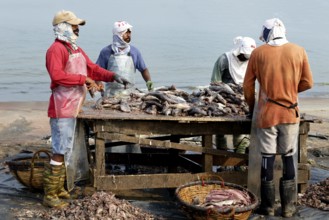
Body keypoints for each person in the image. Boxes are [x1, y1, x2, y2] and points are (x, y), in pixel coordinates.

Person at [44, 10, 130, 209]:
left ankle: (58, 189)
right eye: (74, 26)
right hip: (61, 108)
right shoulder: (55, 50)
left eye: (77, 26)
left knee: (67, 149)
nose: (77, 29)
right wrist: (84, 79)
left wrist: (113, 76)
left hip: (75, 107)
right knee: (59, 150)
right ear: (63, 26)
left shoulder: (75, 49)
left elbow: (92, 68)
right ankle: (49, 195)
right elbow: (57, 76)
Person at [243, 18, 313, 217]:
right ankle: (289, 208)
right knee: (289, 156)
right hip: (291, 113)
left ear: (267, 33)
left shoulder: (258, 53)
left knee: (267, 158)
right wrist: (291, 92)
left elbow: (247, 86)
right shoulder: (299, 51)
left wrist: (251, 107)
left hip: (267, 115)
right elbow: (308, 82)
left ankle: (268, 206)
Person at [211, 36, 256, 157]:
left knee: (241, 131)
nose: (245, 58)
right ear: (239, 50)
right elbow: (214, 83)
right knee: (220, 131)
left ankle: (239, 160)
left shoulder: (251, 61)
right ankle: (222, 158)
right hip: (223, 100)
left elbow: (252, 82)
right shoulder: (224, 59)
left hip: (243, 99)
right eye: (244, 55)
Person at [96, 20, 153, 97]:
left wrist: (149, 82)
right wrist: (99, 85)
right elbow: (96, 72)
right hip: (110, 95)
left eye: (129, 32)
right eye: (125, 33)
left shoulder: (134, 51)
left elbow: (143, 69)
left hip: (130, 95)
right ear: (117, 34)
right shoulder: (106, 52)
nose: (128, 35)